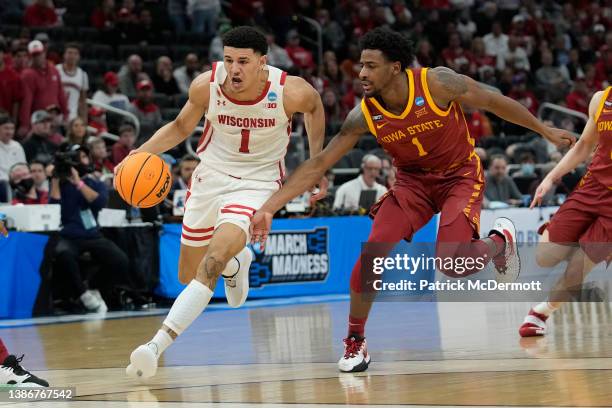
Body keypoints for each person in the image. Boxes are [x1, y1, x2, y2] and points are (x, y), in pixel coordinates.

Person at [249, 27, 575, 373]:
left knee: (451, 265)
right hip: (412, 185)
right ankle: (355, 341)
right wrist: (269, 206)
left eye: (371, 66)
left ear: (395, 67)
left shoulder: (437, 84)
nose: (361, 73)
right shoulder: (363, 115)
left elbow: (493, 101)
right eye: (361, 65)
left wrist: (545, 130)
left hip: (458, 176)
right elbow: (318, 164)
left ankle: (499, 243)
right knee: (372, 252)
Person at [122, 26, 326, 379]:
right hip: (209, 178)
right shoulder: (206, 85)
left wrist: (316, 163)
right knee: (189, 274)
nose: (234, 69)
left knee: (211, 262)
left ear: (262, 63)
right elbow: (180, 126)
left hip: (257, 184)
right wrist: (138, 154)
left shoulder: (290, 91)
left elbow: (315, 110)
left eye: (243, 61)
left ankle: (154, 346)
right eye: (229, 59)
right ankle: (237, 264)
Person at [519, 87, 612, 338]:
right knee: (545, 257)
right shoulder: (601, 99)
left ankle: (540, 313)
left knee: (576, 271)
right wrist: (550, 178)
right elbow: (583, 146)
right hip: (592, 187)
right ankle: (578, 254)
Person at [49, 144, 129, 313]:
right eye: (78, 157)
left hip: (92, 234)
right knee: (63, 254)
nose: (81, 160)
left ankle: (94, 286)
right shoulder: (61, 184)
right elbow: (53, 209)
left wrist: (78, 183)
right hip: (68, 235)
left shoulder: (94, 183)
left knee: (120, 260)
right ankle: (82, 294)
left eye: (84, 156)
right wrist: (55, 179)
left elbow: (99, 202)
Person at [18, 40, 68, 137]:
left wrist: (66, 114)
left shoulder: (54, 70)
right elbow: (26, 101)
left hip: (54, 119)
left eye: (39, 54)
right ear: (30, 56)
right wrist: (25, 124)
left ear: (44, 53)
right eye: (34, 55)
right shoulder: (28, 74)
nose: (37, 58)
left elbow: (61, 93)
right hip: (38, 121)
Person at [56, 43, 89, 121]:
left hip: (72, 118)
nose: (72, 56)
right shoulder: (56, 70)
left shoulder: (83, 75)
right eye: (69, 53)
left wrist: (84, 119)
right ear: (64, 55)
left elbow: (83, 101)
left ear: (79, 57)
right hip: (56, 117)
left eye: (75, 54)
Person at [128, 79, 162, 145]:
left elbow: (159, 127)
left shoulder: (155, 109)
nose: (146, 93)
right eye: (143, 90)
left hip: (152, 143)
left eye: (148, 90)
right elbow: (130, 128)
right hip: (135, 143)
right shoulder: (132, 107)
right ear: (138, 92)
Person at [0, 114, 26, 184]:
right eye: (6, 128)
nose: (10, 132)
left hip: (16, 183)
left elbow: (23, 168)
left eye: (12, 129)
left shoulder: (17, 146)